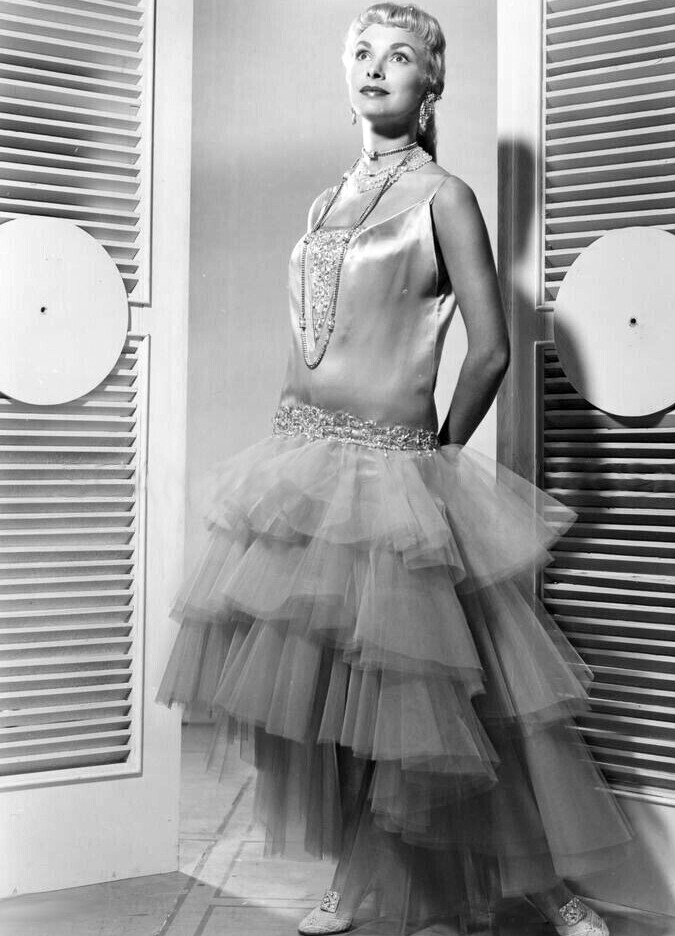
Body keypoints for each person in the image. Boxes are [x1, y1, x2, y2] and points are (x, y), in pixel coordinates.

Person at [157, 4, 633, 934]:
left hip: (396, 474)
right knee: (336, 703)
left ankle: (554, 892)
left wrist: (439, 456)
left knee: (452, 708)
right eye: (364, 53)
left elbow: (491, 350)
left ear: (430, 86)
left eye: (401, 55)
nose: (377, 67)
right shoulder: (323, 202)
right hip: (303, 468)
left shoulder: (444, 196)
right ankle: (352, 876)